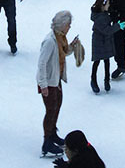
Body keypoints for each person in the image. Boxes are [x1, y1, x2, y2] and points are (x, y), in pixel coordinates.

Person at [37, 9, 78, 156]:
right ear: (62, 25)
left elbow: (64, 53)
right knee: (50, 110)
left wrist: (72, 46)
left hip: (56, 79)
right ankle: (47, 142)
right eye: (68, 25)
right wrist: (43, 85)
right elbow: (41, 64)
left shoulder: (60, 38)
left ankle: (53, 133)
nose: (69, 27)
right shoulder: (49, 41)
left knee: (57, 106)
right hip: (49, 82)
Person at [89, 0, 121, 94]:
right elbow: (107, 30)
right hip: (99, 41)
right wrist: (118, 26)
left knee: (106, 61)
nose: (109, 6)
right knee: (97, 61)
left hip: (106, 41)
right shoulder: (99, 18)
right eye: (107, 4)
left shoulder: (104, 14)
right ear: (102, 6)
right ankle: (93, 80)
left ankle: (106, 80)